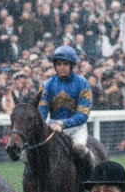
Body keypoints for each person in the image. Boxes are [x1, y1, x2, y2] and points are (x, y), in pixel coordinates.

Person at [38, 44, 95, 174]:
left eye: (65, 64)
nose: (61, 67)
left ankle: (89, 179)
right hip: (53, 127)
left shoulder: (82, 83)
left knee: (80, 150)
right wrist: (42, 126)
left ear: (72, 65)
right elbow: (42, 111)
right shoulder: (47, 85)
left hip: (76, 128)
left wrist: (63, 124)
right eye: (58, 64)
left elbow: (82, 115)